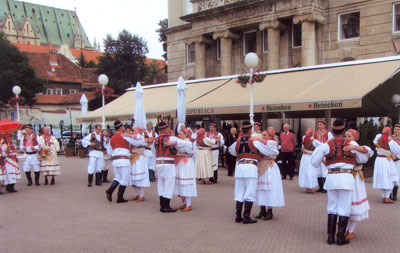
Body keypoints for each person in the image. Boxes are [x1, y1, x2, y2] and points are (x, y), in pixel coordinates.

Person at [311, 120, 368, 245]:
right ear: (343, 130)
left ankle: (330, 237)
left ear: (332, 130)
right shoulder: (351, 143)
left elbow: (314, 161)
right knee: (344, 207)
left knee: (332, 207)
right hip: (346, 178)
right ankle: (340, 237)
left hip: (331, 177)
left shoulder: (327, 144)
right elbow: (363, 158)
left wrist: (325, 161)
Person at [228, 121, 275, 224]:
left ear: (241, 130)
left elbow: (231, 150)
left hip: (240, 167)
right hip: (251, 167)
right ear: (250, 130)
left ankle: (238, 216)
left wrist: (240, 153)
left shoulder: (238, 141)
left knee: (239, 192)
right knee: (249, 191)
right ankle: (246, 217)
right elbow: (271, 151)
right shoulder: (254, 141)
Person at [105, 121, 145, 203]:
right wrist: (130, 135)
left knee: (117, 178)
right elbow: (138, 142)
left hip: (115, 160)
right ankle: (119, 197)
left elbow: (109, 151)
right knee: (124, 179)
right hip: (124, 160)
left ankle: (110, 191)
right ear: (121, 127)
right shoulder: (124, 136)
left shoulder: (112, 138)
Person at [344, 129, 373, 240]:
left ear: (355, 137)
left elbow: (368, 153)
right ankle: (346, 228)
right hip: (346, 176)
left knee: (353, 202)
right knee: (346, 202)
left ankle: (350, 230)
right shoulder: (345, 145)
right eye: (345, 136)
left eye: (349, 136)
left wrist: (355, 147)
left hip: (355, 178)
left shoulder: (354, 145)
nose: (347, 138)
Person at [154, 121, 187, 212]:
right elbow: (184, 144)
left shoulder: (155, 139)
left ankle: (162, 204)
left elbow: (154, 152)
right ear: (164, 129)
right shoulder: (171, 138)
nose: (169, 129)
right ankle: (166, 206)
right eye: (168, 128)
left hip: (159, 163)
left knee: (161, 183)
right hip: (168, 163)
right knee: (169, 183)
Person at [255, 129, 284, 221]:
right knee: (260, 189)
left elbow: (264, 144)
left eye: (265, 135)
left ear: (270, 136)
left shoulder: (272, 143)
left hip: (270, 167)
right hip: (261, 165)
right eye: (262, 135)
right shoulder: (260, 144)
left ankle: (270, 211)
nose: (262, 136)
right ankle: (262, 210)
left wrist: (256, 138)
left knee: (268, 189)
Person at [373, 127, 398, 203]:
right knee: (390, 178)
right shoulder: (390, 140)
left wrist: (377, 145)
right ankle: (386, 197)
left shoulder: (378, 136)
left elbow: (374, 141)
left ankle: (384, 196)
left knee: (382, 178)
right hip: (387, 160)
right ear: (389, 132)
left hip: (379, 160)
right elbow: (397, 150)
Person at [174, 129, 197, 212]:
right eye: (178, 134)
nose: (179, 135)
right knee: (180, 183)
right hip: (180, 163)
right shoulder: (180, 142)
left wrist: (178, 153)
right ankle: (183, 202)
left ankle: (188, 204)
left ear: (186, 135)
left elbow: (189, 153)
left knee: (186, 182)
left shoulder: (188, 143)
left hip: (186, 164)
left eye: (181, 134)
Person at [128, 126, 149, 202]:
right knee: (133, 177)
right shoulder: (132, 139)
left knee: (139, 176)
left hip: (139, 158)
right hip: (133, 157)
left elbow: (137, 136)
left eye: (136, 130)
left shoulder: (141, 137)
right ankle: (135, 194)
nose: (134, 131)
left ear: (140, 131)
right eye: (134, 130)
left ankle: (142, 195)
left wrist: (127, 135)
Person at [313, 119, 334, 193]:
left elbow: (331, 141)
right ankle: (320, 187)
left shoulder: (328, 133)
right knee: (318, 171)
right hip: (318, 152)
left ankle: (326, 187)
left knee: (324, 170)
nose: (319, 126)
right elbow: (314, 141)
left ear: (324, 125)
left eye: (321, 124)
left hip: (325, 153)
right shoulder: (316, 133)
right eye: (318, 124)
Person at [298, 128, 318, 193]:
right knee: (309, 172)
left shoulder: (312, 140)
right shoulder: (307, 139)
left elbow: (319, 148)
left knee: (309, 172)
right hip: (307, 157)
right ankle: (309, 187)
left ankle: (309, 187)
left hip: (308, 157)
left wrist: (305, 151)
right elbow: (302, 147)